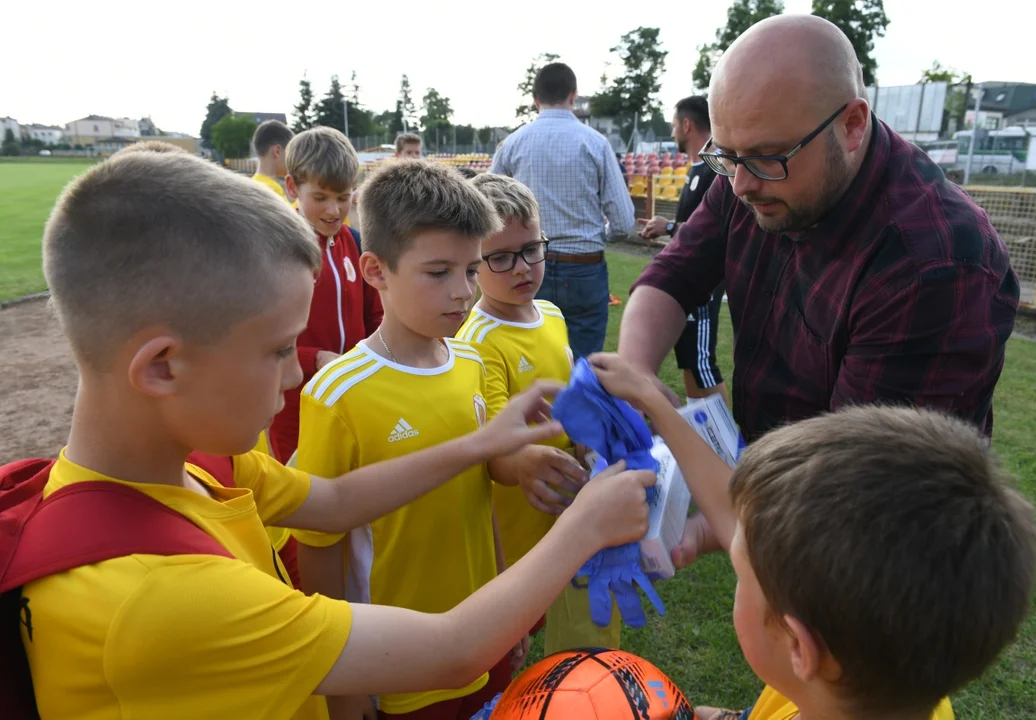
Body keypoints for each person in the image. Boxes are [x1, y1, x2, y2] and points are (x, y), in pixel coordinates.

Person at [18, 149, 655, 720]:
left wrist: (484, 444)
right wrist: (587, 525)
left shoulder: (209, 467)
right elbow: (453, 650)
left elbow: (335, 501)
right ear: (162, 365)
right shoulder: (160, 597)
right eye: (276, 349)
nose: (298, 368)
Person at [618, 16, 1018, 565]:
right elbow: (673, 275)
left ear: (853, 125)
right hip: (785, 505)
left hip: (879, 564)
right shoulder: (748, 171)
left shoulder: (934, 262)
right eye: (726, 156)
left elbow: (853, 493)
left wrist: (713, 527)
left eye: (765, 157)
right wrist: (636, 373)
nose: (740, 184)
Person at [588, 354, 1036, 720]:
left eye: (741, 573)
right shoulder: (902, 684)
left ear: (800, 647)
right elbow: (733, 515)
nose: (730, 542)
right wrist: (653, 400)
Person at [296, 161, 579, 720]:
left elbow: (482, 496)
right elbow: (319, 548)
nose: (463, 292)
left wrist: (504, 604)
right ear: (375, 270)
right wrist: (344, 685)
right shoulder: (337, 393)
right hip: (394, 664)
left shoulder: (471, 360)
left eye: (472, 270)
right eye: (438, 272)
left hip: (482, 637)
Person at [456, 173, 620, 656]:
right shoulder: (476, 342)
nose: (522, 267)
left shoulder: (550, 314)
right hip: (516, 528)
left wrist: (590, 436)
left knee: (575, 643)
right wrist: (528, 459)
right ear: (473, 262)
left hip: (569, 505)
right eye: (501, 257)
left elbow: (568, 398)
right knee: (519, 644)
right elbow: (493, 445)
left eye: (532, 249)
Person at [491, 62, 635, 360]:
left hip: (527, 264)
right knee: (583, 364)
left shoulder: (512, 144)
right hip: (583, 264)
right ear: (573, 96)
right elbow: (623, 221)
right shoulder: (595, 143)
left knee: (530, 360)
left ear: (535, 100)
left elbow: (486, 210)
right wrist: (594, 238)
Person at [267, 126, 383, 463]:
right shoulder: (277, 248)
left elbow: (375, 314)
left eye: (343, 197)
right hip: (295, 404)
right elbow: (260, 339)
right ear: (292, 187)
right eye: (321, 198)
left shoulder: (354, 242)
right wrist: (314, 359)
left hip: (352, 393)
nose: (334, 210)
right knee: (301, 495)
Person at [637, 95, 728, 403]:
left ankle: (723, 443)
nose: (673, 132)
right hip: (687, 280)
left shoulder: (716, 171)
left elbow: (714, 232)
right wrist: (668, 227)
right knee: (689, 358)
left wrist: (670, 227)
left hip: (703, 284)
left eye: (675, 124)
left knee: (702, 362)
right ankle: (700, 431)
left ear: (687, 125)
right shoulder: (698, 167)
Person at [251, 120, 294, 200]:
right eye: (290, 152)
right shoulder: (273, 190)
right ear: (277, 151)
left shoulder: (251, 185)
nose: (293, 158)